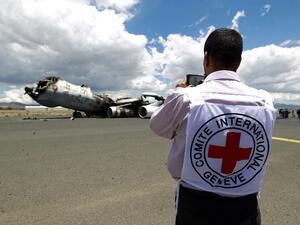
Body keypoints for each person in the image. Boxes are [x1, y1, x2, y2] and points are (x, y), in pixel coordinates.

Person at [149, 28, 276, 225]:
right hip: (246, 206)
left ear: (206, 58)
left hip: (197, 206)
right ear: (239, 62)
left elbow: (158, 126)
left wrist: (177, 92)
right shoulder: (265, 101)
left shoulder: (186, 98)